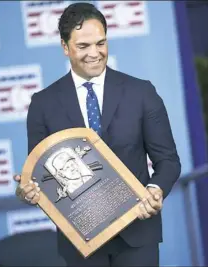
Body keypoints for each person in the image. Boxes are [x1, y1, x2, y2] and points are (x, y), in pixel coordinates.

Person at [14, 2, 181, 266]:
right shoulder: (42, 104)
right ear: (65, 47)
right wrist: (28, 192)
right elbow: (39, 175)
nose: (95, 53)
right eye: (83, 46)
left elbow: (168, 161)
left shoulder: (141, 92)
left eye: (101, 43)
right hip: (81, 242)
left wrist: (155, 189)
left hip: (138, 233)